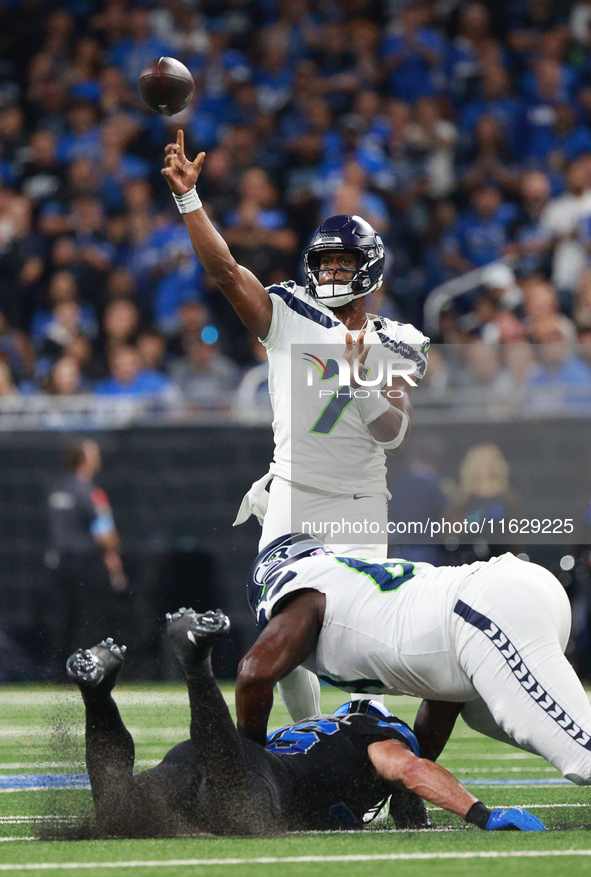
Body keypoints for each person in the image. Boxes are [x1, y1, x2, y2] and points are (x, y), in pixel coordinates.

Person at [161, 129, 430, 721]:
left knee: (367, 637)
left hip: (359, 503)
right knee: (284, 632)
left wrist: (361, 380)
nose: (333, 272)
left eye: (344, 262)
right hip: (291, 497)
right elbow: (229, 273)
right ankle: (307, 741)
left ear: (371, 271)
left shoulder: (396, 341)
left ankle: (372, 751)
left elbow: (391, 433)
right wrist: (189, 201)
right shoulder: (289, 314)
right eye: (326, 261)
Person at [65, 607, 544, 837]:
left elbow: (404, 802)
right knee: (238, 812)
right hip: (256, 778)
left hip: (214, 757)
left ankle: (97, 693)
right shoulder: (378, 739)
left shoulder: (329, 731)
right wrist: (481, 814)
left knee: (116, 812)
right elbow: (410, 771)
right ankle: (197, 665)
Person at [237, 534, 591, 788]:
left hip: (488, 612)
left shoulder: (300, 587)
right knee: (481, 713)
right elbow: (446, 689)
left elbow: (254, 673)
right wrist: (408, 784)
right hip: (493, 609)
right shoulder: (351, 585)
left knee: (583, 757)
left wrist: (249, 763)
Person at [47, 439, 126, 672]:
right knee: (89, 618)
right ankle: (90, 667)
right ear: (85, 459)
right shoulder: (90, 491)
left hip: (59, 562)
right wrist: (113, 555)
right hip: (86, 562)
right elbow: (104, 534)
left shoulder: (57, 489)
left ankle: (60, 670)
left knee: (64, 619)